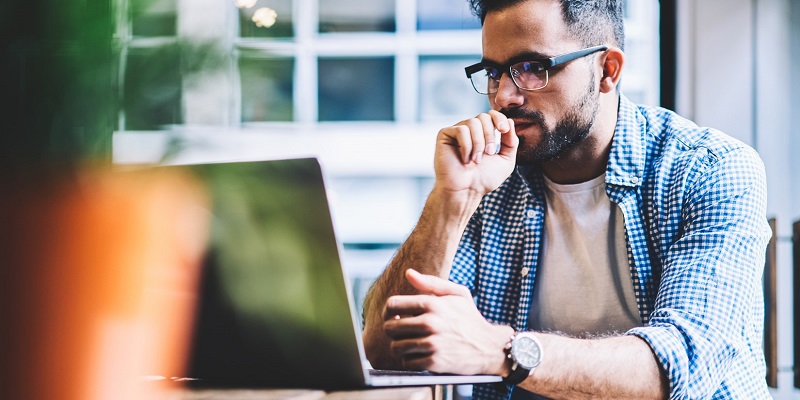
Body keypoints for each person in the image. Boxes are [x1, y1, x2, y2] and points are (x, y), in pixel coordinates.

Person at [361, 0, 772, 399]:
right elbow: (385, 350)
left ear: (607, 70)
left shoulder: (710, 169)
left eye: (532, 68)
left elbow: (676, 368)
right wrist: (450, 201)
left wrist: (498, 350)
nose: (505, 96)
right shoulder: (490, 179)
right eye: (493, 72)